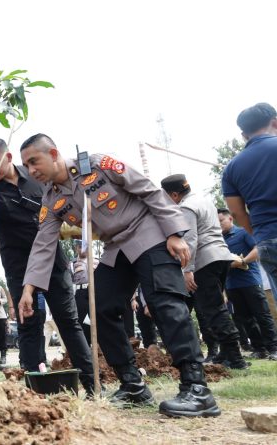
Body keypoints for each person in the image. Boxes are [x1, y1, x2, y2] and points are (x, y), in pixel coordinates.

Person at [19, 133, 218, 417]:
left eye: (34, 161)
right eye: (26, 166)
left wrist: (174, 233)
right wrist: (29, 288)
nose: (31, 170)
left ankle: (197, 388)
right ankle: (132, 384)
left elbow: (149, 190)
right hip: (116, 248)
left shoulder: (98, 165)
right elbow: (43, 244)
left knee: (165, 302)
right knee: (98, 306)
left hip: (149, 233)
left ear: (53, 154)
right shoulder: (51, 199)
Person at [0, 138, 95, 394]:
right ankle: (33, 389)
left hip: (54, 262)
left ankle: (92, 384)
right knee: (29, 325)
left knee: (69, 322)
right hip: (19, 268)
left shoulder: (37, 177)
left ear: (8, 158)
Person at [161, 174, 247, 369]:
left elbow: (189, 240)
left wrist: (187, 269)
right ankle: (226, 353)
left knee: (213, 309)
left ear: (174, 194)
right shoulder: (204, 201)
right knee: (216, 306)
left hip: (205, 261)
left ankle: (235, 357)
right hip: (222, 257)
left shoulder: (186, 207)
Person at [223, 103, 277, 286]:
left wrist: (259, 233)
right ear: (275, 123)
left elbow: (237, 213)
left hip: (268, 238)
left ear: (244, 135)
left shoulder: (231, 168)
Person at [218, 208, 277, 360]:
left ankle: (273, 347)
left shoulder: (243, 232)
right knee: (245, 318)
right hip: (231, 284)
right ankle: (259, 348)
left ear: (230, 218)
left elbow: (258, 248)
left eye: (221, 221)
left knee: (262, 315)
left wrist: (243, 261)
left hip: (250, 280)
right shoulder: (218, 240)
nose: (219, 225)